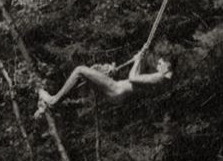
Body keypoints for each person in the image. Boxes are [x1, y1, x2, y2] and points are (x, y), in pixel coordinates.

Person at [34, 50, 172, 118]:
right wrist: (139, 59)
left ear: (168, 66)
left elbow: (133, 78)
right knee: (92, 72)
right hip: (116, 91)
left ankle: (53, 101)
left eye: (160, 63)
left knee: (79, 70)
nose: (157, 65)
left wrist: (137, 60)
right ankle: (48, 107)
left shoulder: (160, 77)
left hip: (115, 90)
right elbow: (138, 82)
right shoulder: (161, 79)